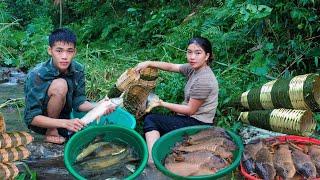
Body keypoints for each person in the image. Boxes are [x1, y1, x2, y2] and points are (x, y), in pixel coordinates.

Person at [134, 37, 219, 165]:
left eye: (198, 53)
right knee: (153, 118)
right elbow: (172, 66)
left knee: (151, 119)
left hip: (198, 123)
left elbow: (190, 110)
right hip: (190, 117)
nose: (192, 57)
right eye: (189, 52)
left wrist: (161, 103)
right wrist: (149, 63)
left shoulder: (204, 80)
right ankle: (162, 149)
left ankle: (152, 162)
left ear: (207, 56)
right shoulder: (194, 69)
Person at [24, 28, 116, 144]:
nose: (64, 56)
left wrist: (99, 106)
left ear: (75, 52)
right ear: (50, 50)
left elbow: (79, 103)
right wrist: (64, 123)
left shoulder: (78, 69)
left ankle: (60, 128)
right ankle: (51, 131)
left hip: (67, 119)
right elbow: (31, 118)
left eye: (69, 51)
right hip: (42, 123)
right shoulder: (36, 74)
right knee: (60, 84)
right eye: (59, 51)